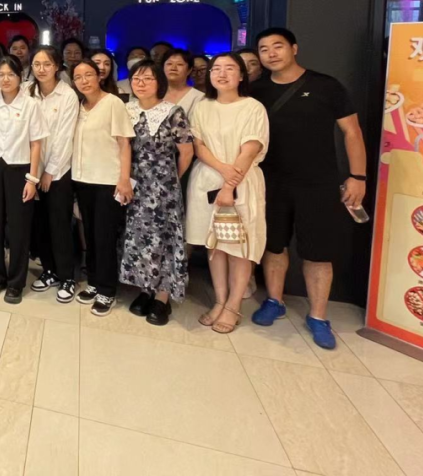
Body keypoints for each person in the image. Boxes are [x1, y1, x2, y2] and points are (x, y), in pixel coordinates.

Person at [250, 27, 366, 349]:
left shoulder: (326, 86)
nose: (271, 53)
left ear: (294, 48)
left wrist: (358, 176)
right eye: (264, 49)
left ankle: (318, 316)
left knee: (318, 251)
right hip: (271, 181)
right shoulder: (256, 90)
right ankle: (274, 300)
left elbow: (352, 132)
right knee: (274, 246)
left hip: (318, 182)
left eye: (277, 46)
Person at [185, 53, 269, 335]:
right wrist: (222, 170)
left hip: (242, 182)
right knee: (214, 244)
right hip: (207, 178)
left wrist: (229, 185)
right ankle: (220, 300)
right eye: (216, 69)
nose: (221, 74)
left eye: (229, 68)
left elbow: (251, 148)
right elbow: (198, 145)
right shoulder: (202, 106)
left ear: (241, 75)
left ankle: (234, 305)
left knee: (239, 246)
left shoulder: (253, 107)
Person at [121, 60, 194, 325]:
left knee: (165, 238)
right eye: (136, 79)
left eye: (148, 79)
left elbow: (186, 152)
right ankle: (145, 289)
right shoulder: (126, 110)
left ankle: (162, 296)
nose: (141, 84)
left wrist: (170, 180)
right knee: (139, 238)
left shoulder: (173, 112)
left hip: (164, 189)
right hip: (133, 185)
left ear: (159, 83)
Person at [0, 55, 47, 304]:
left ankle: (16, 282)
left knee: (18, 227)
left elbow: (36, 143)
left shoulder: (31, 105)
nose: (5, 79)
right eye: (1, 75)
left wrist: (32, 179)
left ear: (20, 77)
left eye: (10, 75)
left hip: (20, 170)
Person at [72, 58, 134, 316]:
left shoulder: (113, 103)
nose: (83, 81)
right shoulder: (79, 107)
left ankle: (107, 290)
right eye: (78, 77)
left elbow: (124, 143)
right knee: (90, 235)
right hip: (83, 179)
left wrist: (124, 179)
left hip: (108, 181)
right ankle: (94, 282)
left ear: (99, 76)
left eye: (88, 75)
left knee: (105, 237)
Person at [28, 46, 81, 304]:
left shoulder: (67, 95)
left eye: (47, 64)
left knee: (59, 224)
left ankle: (67, 276)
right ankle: (49, 270)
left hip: (57, 172)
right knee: (39, 224)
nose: (41, 69)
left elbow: (63, 137)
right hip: (31, 170)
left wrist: (50, 171)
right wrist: (34, 173)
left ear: (57, 66)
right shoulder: (28, 92)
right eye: (37, 64)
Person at [163, 49, 205, 118]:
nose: (173, 68)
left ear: (189, 70)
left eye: (179, 64)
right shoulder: (154, 94)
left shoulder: (199, 98)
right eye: (169, 64)